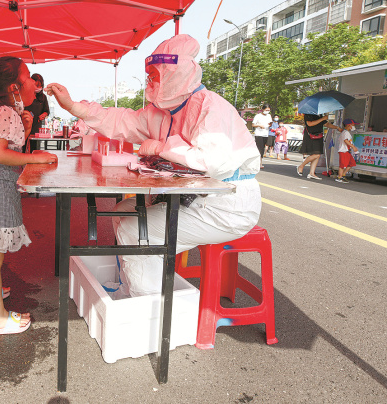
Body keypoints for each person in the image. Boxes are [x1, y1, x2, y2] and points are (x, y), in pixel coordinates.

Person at [47, 34, 261, 297]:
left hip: (225, 205)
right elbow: (122, 121)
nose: (150, 81)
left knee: (132, 228)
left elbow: (213, 161)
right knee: (123, 211)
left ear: (175, 74)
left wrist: (162, 147)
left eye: (155, 75)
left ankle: (149, 310)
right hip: (193, 198)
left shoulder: (210, 106)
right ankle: (135, 288)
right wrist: (75, 108)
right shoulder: (164, 112)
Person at [0, 56, 57, 335]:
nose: (34, 84)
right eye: (28, 77)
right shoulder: (4, 113)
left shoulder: (4, 112)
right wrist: (36, 159)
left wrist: (26, 129)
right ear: (15, 88)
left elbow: (4, 147)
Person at [297, 113, 342, 180]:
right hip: (310, 136)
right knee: (316, 155)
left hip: (318, 136)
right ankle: (301, 166)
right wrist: (322, 119)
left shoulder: (319, 115)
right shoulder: (308, 114)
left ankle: (312, 173)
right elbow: (310, 124)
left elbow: (326, 124)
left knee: (317, 154)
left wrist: (337, 127)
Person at [23, 73, 50, 152]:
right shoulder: (25, 94)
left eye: (40, 85)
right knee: (22, 148)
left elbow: (47, 111)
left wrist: (43, 115)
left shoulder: (43, 97)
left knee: (35, 149)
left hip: (36, 128)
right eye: (36, 85)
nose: (38, 88)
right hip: (24, 126)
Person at [336, 118, 360, 183]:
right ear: (349, 125)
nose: (353, 126)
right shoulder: (345, 132)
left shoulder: (346, 132)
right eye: (353, 125)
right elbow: (345, 140)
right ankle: (339, 177)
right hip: (343, 151)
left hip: (347, 151)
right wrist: (353, 147)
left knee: (352, 163)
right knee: (342, 165)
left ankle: (343, 174)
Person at [251, 104, 272, 169]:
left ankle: (258, 161)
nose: (267, 111)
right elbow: (253, 125)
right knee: (260, 148)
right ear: (263, 109)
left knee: (262, 148)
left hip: (265, 134)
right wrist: (259, 125)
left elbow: (270, 123)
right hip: (259, 134)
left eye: (268, 110)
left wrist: (270, 124)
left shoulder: (269, 116)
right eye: (266, 110)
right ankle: (259, 163)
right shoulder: (258, 116)